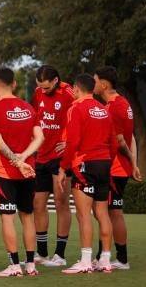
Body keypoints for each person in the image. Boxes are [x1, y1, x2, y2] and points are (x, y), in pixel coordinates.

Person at [0, 68, 45, 277]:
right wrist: (24, 158)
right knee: (27, 217)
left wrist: (16, 161)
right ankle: (31, 265)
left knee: (7, 218)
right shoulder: (29, 108)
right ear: (14, 84)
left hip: (6, 172)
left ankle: (14, 266)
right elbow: (39, 138)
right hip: (28, 171)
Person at [56, 73, 116, 274]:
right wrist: (107, 160)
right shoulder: (103, 109)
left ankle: (85, 261)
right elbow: (114, 142)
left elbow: (72, 142)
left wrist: (63, 167)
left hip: (85, 164)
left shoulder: (76, 108)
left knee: (84, 215)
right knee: (102, 212)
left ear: (76, 88)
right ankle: (106, 260)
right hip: (104, 163)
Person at [94, 66, 142, 270]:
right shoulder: (124, 103)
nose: (94, 84)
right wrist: (134, 164)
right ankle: (114, 257)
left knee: (109, 212)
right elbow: (131, 137)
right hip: (120, 168)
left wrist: (131, 162)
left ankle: (115, 259)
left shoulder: (112, 108)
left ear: (104, 84)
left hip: (114, 169)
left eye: (96, 80)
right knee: (108, 212)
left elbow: (122, 140)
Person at [31, 65, 74, 267]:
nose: (42, 90)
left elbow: (81, 117)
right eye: (40, 86)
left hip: (60, 157)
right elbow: (35, 120)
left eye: (46, 87)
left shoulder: (69, 93)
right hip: (41, 156)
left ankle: (60, 255)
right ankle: (41, 253)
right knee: (38, 204)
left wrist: (70, 141)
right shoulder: (38, 92)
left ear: (56, 80)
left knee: (60, 202)